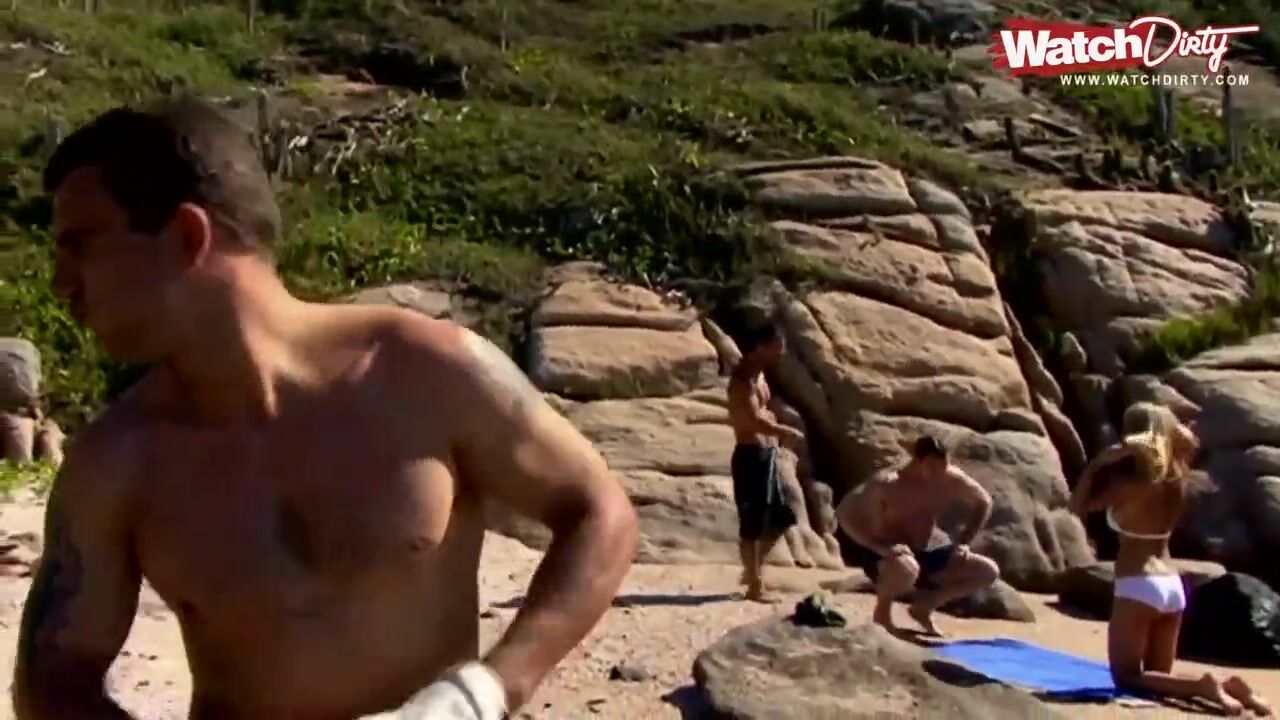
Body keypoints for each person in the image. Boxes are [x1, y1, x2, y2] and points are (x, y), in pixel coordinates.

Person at [11, 97, 640, 720]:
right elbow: (54, 676)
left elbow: (600, 513)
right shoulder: (117, 461)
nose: (62, 283)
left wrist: (480, 694)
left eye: (81, 247)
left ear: (185, 236)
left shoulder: (425, 372)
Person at [1070, 402, 1271, 716]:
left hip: (1138, 584)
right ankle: (1230, 686)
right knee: (1157, 678)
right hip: (1172, 585)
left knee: (1127, 677)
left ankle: (1203, 685)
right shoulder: (1178, 475)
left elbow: (1077, 506)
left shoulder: (1128, 484)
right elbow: (1188, 445)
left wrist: (1098, 463)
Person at [836, 435, 999, 636]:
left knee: (987, 571)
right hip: (889, 553)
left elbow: (984, 501)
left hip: (929, 549)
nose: (939, 472)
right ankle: (882, 615)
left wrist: (964, 542)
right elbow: (844, 513)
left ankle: (924, 607)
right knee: (906, 568)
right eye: (932, 467)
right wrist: (877, 546)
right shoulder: (888, 483)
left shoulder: (951, 478)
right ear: (917, 461)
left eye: (943, 466)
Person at [726, 322, 803, 603]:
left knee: (782, 517)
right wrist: (784, 431)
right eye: (777, 347)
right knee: (753, 525)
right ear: (760, 346)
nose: (781, 352)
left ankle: (752, 570)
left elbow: (763, 412)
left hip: (766, 454)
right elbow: (749, 419)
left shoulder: (759, 375)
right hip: (751, 455)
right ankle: (755, 586)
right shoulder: (743, 379)